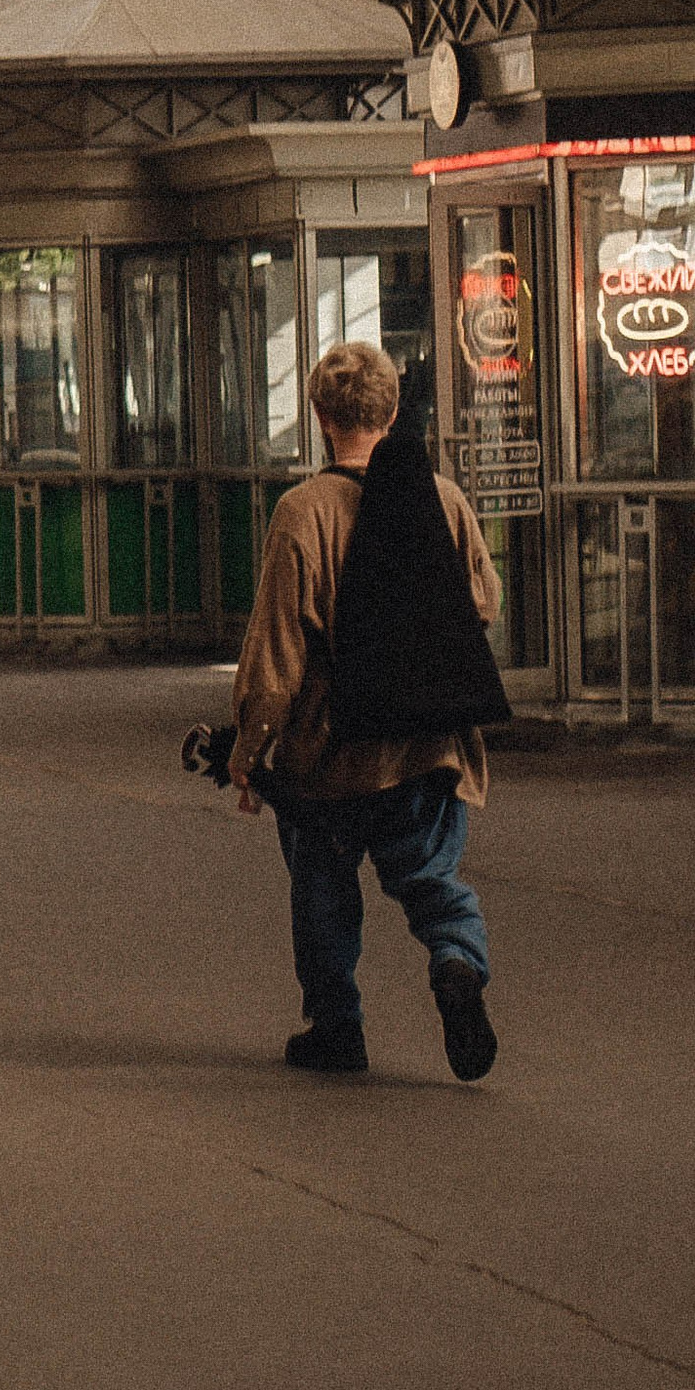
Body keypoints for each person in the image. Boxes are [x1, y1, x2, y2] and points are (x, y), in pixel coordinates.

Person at [228, 339, 504, 1084]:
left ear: (319, 415)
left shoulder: (303, 511)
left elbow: (277, 650)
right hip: (425, 743)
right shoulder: (441, 497)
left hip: (331, 752)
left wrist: (247, 752)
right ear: (391, 411)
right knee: (432, 878)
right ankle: (455, 964)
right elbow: (483, 600)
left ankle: (336, 1028)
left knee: (321, 884)